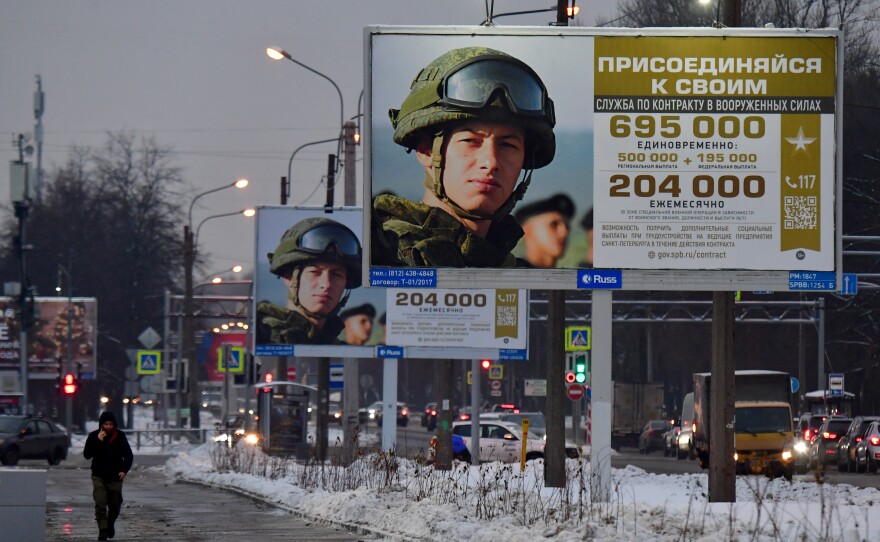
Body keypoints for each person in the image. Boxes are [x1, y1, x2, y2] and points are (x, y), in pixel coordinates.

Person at [372, 46, 556, 268]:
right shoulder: (379, 255)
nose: (490, 163)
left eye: (507, 145)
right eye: (471, 141)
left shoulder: (517, 274)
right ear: (426, 151)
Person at [256, 217, 362, 345]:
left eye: (336, 275)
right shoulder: (258, 337)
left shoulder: (342, 352)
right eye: (314, 273)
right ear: (288, 277)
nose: (326, 284)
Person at [83, 411, 133, 540]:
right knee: (100, 502)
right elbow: (87, 454)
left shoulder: (120, 436)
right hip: (98, 475)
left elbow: (128, 455)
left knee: (115, 504)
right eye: (106, 424)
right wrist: (98, 441)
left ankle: (110, 523)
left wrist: (124, 470)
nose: (109, 427)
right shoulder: (94, 436)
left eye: (111, 424)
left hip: (115, 476)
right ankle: (103, 530)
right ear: (101, 424)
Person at [513, 193, 575, 268]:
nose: (564, 233)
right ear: (528, 229)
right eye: (554, 225)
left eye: (567, 227)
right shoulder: (512, 276)